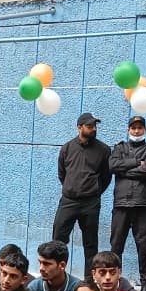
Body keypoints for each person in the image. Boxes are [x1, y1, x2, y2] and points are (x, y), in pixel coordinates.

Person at [54, 112, 112, 273]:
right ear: (79, 127)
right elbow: (62, 174)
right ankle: (57, 276)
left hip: (90, 203)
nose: (93, 129)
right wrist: (71, 187)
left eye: (95, 126)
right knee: (58, 242)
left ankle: (89, 281)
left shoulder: (104, 150)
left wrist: (94, 191)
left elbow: (106, 177)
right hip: (68, 201)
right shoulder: (67, 148)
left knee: (90, 244)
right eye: (89, 126)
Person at [109, 116, 146, 291]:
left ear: (145, 130)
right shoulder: (119, 147)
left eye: (139, 128)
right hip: (121, 204)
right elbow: (113, 165)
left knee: (144, 246)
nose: (136, 131)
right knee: (116, 246)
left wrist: (126, 170)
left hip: (142, 205)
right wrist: (136, 163)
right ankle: (114, 283)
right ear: (128, 129)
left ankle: (145, 284)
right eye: (133, 128)